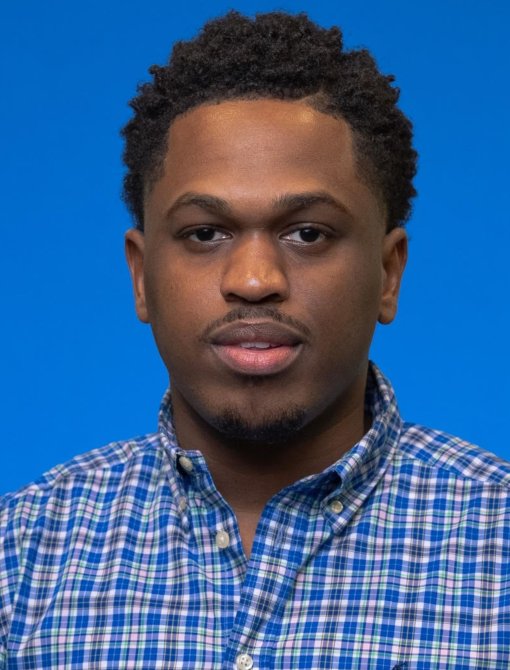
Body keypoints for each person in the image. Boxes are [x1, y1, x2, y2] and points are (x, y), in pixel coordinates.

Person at [1, 10, 508, 669]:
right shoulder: (22, 557)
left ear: (388, 273)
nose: (253, 280)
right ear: (141, 277)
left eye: (308, 233)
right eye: (205, 234)